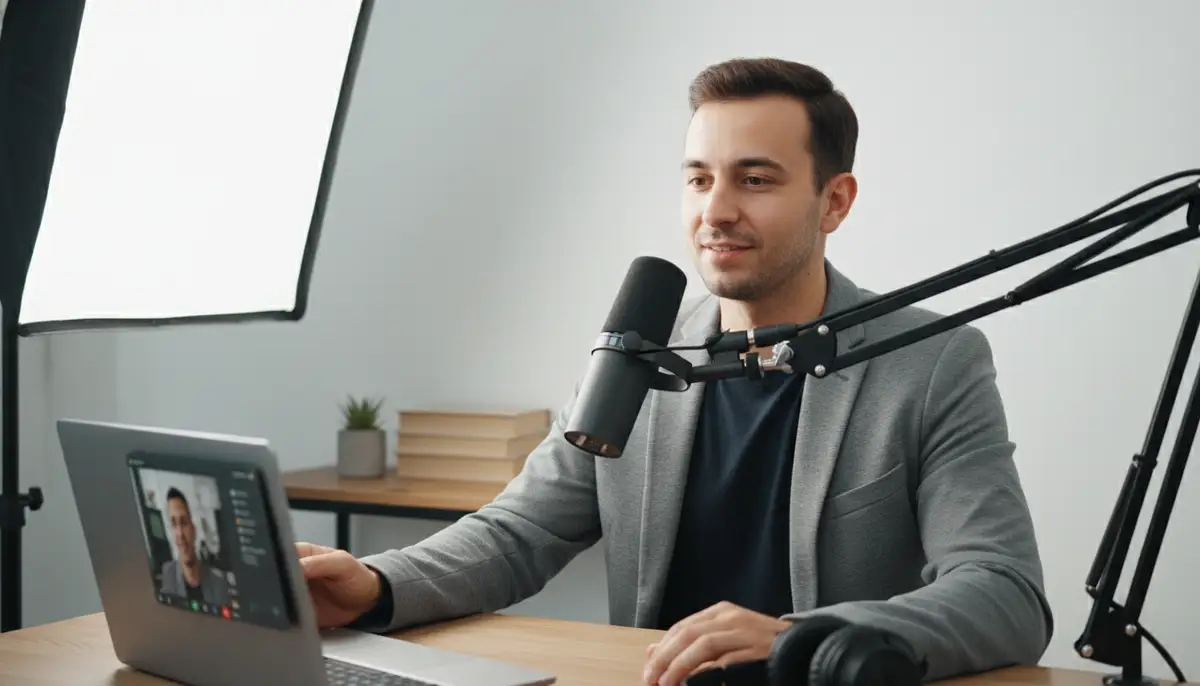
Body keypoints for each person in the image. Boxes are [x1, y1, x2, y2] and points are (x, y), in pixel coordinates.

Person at [295, 57, 1054, 685]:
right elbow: (519, 532)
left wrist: (803, 638)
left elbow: (1005, 592)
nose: (714, 211)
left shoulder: (930, 360)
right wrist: (379, 582)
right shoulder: (641, 349)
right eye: (698, 179)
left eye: (755, 180)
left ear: (835, 202)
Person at [159, 486, 231, 607]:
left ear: (194, 529)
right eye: (174, 524)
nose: (180, 533)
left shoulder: (219, 582)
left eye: (184, 522)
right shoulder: (168, 576)